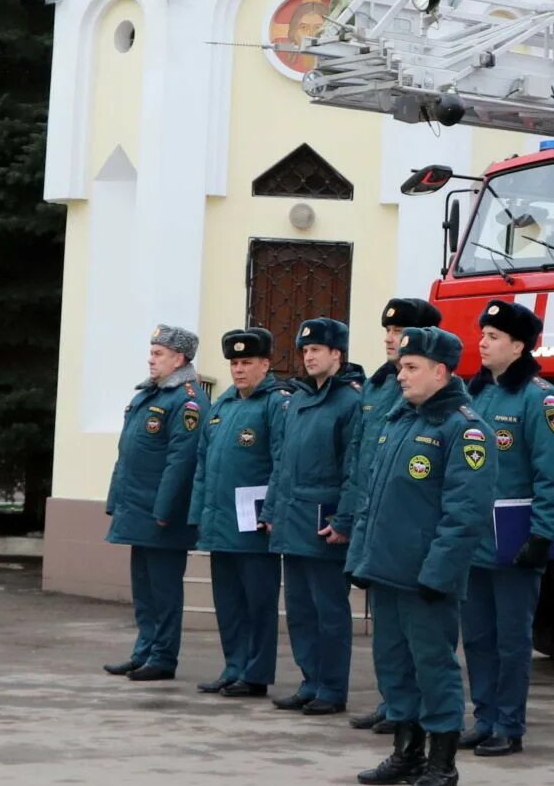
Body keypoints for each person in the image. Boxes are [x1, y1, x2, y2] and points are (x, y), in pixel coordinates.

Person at [348, 327, 493, 786]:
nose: (401, 374)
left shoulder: (464, 429)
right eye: (400, 366)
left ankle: (442, 761)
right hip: (386, 570)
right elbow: (372, 500)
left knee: (433, 667)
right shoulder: (399, 421)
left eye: (411, 368)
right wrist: (360, 559)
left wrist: (439, 573)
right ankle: (406, 752)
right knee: (393, 665)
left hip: (426, 578)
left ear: (441, 371)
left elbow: (465, 514)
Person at [460, 300, 554, 757]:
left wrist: (542, 535)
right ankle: (484, 716)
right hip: (473, 537)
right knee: (478, 636)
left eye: (492, 337)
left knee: (510, 638)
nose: (482, 343)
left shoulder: (539, 398)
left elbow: (553, 473)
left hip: (515, 537)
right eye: (482, 335)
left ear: (518, 345)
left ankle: (509, 723)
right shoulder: (476, 393)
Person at [342, 297, 442, 733]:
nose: (389, 339)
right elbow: (359, 454)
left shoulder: (433, 393)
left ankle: (413, 708)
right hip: (373, 514)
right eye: (386, 331)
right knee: (384, 626)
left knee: (413, 629)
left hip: (409, 521)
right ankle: (393, 700)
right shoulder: (380, 384)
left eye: (398, 332)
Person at [261, 318, 364, 715]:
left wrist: (344, 520)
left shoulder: (351, 402)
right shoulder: (299, 399)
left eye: (316, 350)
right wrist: (271, 509)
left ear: (336, 354)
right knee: (301, 610)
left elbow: (354, 468)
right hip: (292, 517)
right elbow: (282, 461)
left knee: (329, 611)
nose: (309, 357)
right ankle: (310, 680)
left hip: (324, 521)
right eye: (305, 351)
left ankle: (332, 688)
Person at [188, 328, 290, 698]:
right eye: (234, 362)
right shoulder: (224, 406)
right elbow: (203, 463)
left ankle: (256, 672)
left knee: (257, 602)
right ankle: (233, 666)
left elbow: (282, 461)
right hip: (220, 520)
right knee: (228, 602)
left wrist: (274, 510)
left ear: (265, 364)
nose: (239, 369)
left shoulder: (276, 403)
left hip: (255, 523)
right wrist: (198, 510)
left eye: (247, 362)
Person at [102, 325, 205, 682]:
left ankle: (163, 656)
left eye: (158, 353)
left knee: (164, 590)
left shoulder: (187, 400)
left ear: (179, 359)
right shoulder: (150, 395)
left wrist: (164, 511)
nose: (150, 358)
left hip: (161, 516)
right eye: (151, 351)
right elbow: (126, 454)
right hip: (137, 509)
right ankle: (144, 650)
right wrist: (115, 498)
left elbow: (182, 460)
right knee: (144, 590)